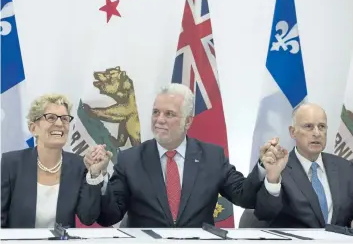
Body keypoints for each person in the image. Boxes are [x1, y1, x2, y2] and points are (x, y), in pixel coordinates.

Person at [82, 83, 284, 228]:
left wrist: (263, 168)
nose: (159, 119)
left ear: (188, 122)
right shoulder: (131, 160)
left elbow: (244, 197)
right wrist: (97, 178)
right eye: (155, 112)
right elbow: (108, 217)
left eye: (169, 114)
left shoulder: (212, 156)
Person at [1, 94, 104, 228]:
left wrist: (94, 174)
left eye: (65, 119)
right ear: (33, 128)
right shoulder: (11, 163)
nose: (59, 124)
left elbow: (88, 217)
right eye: (51, 118)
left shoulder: (79, 165)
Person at [255, 103, 353, 228]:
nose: (317, 133)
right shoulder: (279, 167)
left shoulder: (345, 167)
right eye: (309, 126)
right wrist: (273, 180)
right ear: (292, 132)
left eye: (322, 126)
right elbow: (265, 214)